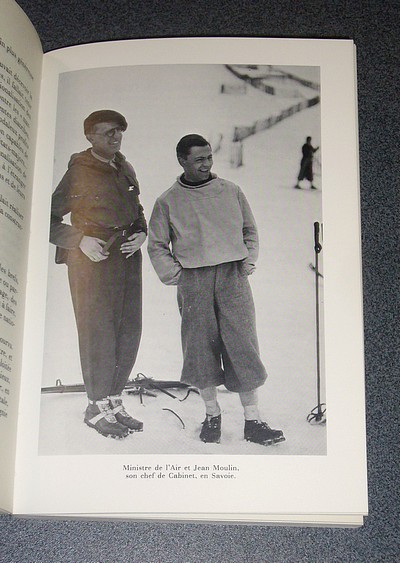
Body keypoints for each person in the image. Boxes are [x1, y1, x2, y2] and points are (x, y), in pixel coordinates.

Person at [147, 134, 285, 446]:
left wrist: (249, 259)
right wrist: (176, 275)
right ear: (182, 160)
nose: (206, 164)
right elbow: (156, 245)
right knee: (199, 349)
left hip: (232, 278)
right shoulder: (167, 201)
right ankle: (212, 416)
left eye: (209, 157)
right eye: (199, 159)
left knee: (243, 345)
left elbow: (249, 229)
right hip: (194, 281)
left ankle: (254, 420)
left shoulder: (231, 191)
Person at [50, 110, 147, 439]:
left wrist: (142, 233)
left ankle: (113, 399)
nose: (115, 137)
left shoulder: (124, 166)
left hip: (126, 256)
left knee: (128, 329)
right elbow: (46, 217)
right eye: (106, 132)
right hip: (92, 260)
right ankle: (95, 405)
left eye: (118, 130)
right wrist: (79, 240)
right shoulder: (79, 171)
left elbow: (137, 209)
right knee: (97, 333)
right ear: (90, 137)